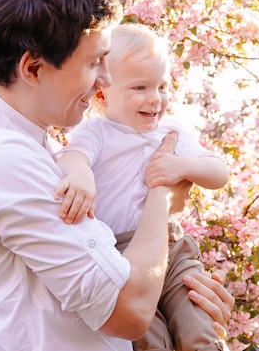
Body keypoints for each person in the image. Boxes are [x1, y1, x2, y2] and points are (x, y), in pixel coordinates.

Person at [0, 0, 234, 351]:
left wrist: (185, 306)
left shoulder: (37, 145)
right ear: (33, 67)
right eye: (94, 63)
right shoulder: (1, 162)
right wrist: (160, 194)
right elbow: (128, 311)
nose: (105, 80)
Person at [54, 23, 231, 351]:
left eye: (162, 86)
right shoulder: (96, 133)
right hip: (122, 256)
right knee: (147, 335)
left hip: (173, 248)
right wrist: (80, 175)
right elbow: (72, 157)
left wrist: (182, 166)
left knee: (197, 321)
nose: (155, 98)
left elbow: (219, 172)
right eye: (140, 87)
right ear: (103, 93)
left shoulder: (171, 131)